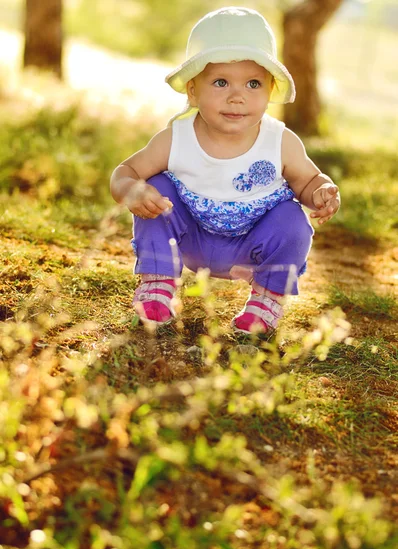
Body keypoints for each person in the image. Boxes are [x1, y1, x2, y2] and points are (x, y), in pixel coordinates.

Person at [110, 6, 340, 334]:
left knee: (293, 220)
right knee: (157, 184)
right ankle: (157, 288)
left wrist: (322, 191)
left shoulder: (280, 141)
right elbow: (125, 170)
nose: (237, 97)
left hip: (251, 245)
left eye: (253, 84)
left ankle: (266, 301)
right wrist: (131, 189)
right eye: (221, 82)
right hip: (190, 238)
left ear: (270, 91)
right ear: (193, 90)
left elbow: (308, 180)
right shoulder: (177, 138)